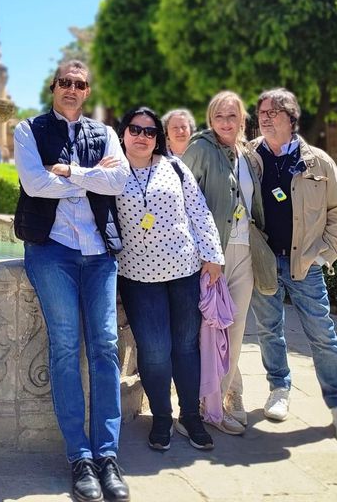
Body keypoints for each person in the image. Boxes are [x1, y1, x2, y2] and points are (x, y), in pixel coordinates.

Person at [13, 60, 131, 502]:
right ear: (53, 87)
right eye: (65, 82)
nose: (72, 89)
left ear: (86, 91)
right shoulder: (28, 130)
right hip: (52, 249)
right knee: (65, 344)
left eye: (80, 84)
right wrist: (90, 179)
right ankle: (79, 455)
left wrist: (70, 173)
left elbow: (118, 180)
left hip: (99, 253)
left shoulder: (105, 133)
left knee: (104, 345)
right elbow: (34, 183)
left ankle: (108, 454)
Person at [248, 88, 337, 444]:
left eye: (274, 112)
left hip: (304, 264)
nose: (265, 118)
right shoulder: (248, 157)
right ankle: (279, 389)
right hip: (264, 262)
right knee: (268, 330)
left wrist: (324, 254)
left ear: (292, 119)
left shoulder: (318, 162)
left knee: (322, 335)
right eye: (262, 112)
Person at [114, 106, 223, 453]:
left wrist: (213, 256)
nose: (142, 136)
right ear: (123, 134)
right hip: (137, 276)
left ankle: (190, 416)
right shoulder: (111, 171)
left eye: (149, 131)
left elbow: (198, 211)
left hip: (184, 272)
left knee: (186, 347)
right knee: (155, 350)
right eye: (135, 129)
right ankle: (161, 416)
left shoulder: (174, 167)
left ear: (157, 137)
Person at [182, 91, 270, 435]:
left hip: (245, 252)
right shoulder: (200, 149)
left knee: (234, 332)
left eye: (232, 117)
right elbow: (183, 201)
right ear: (210, 119)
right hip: (212, 256)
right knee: (210, 331)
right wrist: (205, 253)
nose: (225, 123)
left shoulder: (246, 156)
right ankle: (208, 407)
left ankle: (221, 400)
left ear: (242, 120)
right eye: (219, 116)